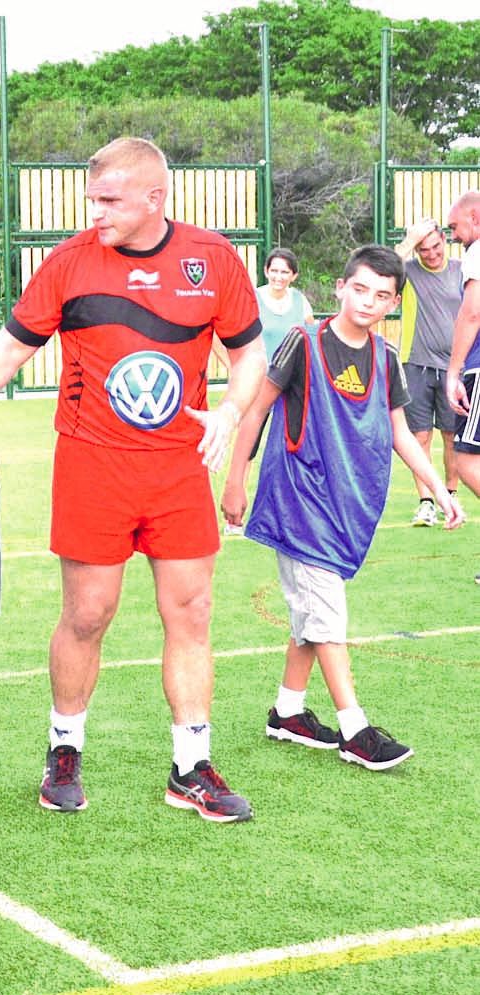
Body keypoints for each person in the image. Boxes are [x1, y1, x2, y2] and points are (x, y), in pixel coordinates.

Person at [0, 137, 267, 823]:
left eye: (109, 199)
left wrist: (231, 407)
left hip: (178, 469)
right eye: (93, 196)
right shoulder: (70, 263)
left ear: (154, 198)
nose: (94, 210)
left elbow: (249, 351)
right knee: (88, 613)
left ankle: (191, 764)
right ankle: (64, 747)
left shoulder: (213, 260)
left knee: (191, 612)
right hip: (92, 466)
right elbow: (5, 355)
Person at [223, 245, 460, 770]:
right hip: (298, 501)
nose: (368, 302)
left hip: (347, 504)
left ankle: (287, 712)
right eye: (360, 289)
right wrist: (236, 480)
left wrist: (439, 489)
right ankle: (355, 728)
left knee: (311, 610)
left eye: (382, 295)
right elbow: (258, 409)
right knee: (327, 614)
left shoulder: (386, 357)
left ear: (394, 302)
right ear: (340, 287)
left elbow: (400, 431)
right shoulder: (302, 343)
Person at [394, 217, 466, 524]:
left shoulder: (462, 270)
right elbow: (381, 268)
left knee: (451, 435)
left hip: (454, 368)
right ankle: (426, 502)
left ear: (444, 241)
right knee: (419, 436)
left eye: (435, 246)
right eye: (423, 249)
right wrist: (409, 243)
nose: (431, 253)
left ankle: (449, 495)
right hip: (416, 364)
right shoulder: (407, 272)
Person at [441, 192, 480, 532]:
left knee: (465, 460)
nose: (453, 235)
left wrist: (453, 372)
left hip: (479, 367)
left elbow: (472, 312)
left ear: (475, 218)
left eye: (455, 226)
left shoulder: (477, 252)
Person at [255, 248, 315, 364]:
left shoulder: (300, 300)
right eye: (274, 271)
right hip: (261, 375)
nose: (278, 277)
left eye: (284, 272)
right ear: (266, 272)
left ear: (294, 276)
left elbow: (312, 338)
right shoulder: (253, 300)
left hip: (293, 376)